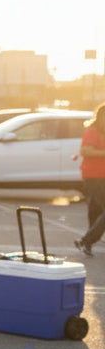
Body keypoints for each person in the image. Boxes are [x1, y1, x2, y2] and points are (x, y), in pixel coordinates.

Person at [73, 103, 105, 256]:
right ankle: (87, 240)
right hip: (93, 176)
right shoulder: (92, 131)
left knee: (96, 210)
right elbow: (85, 151)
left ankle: (87, 243)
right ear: (100, 117)